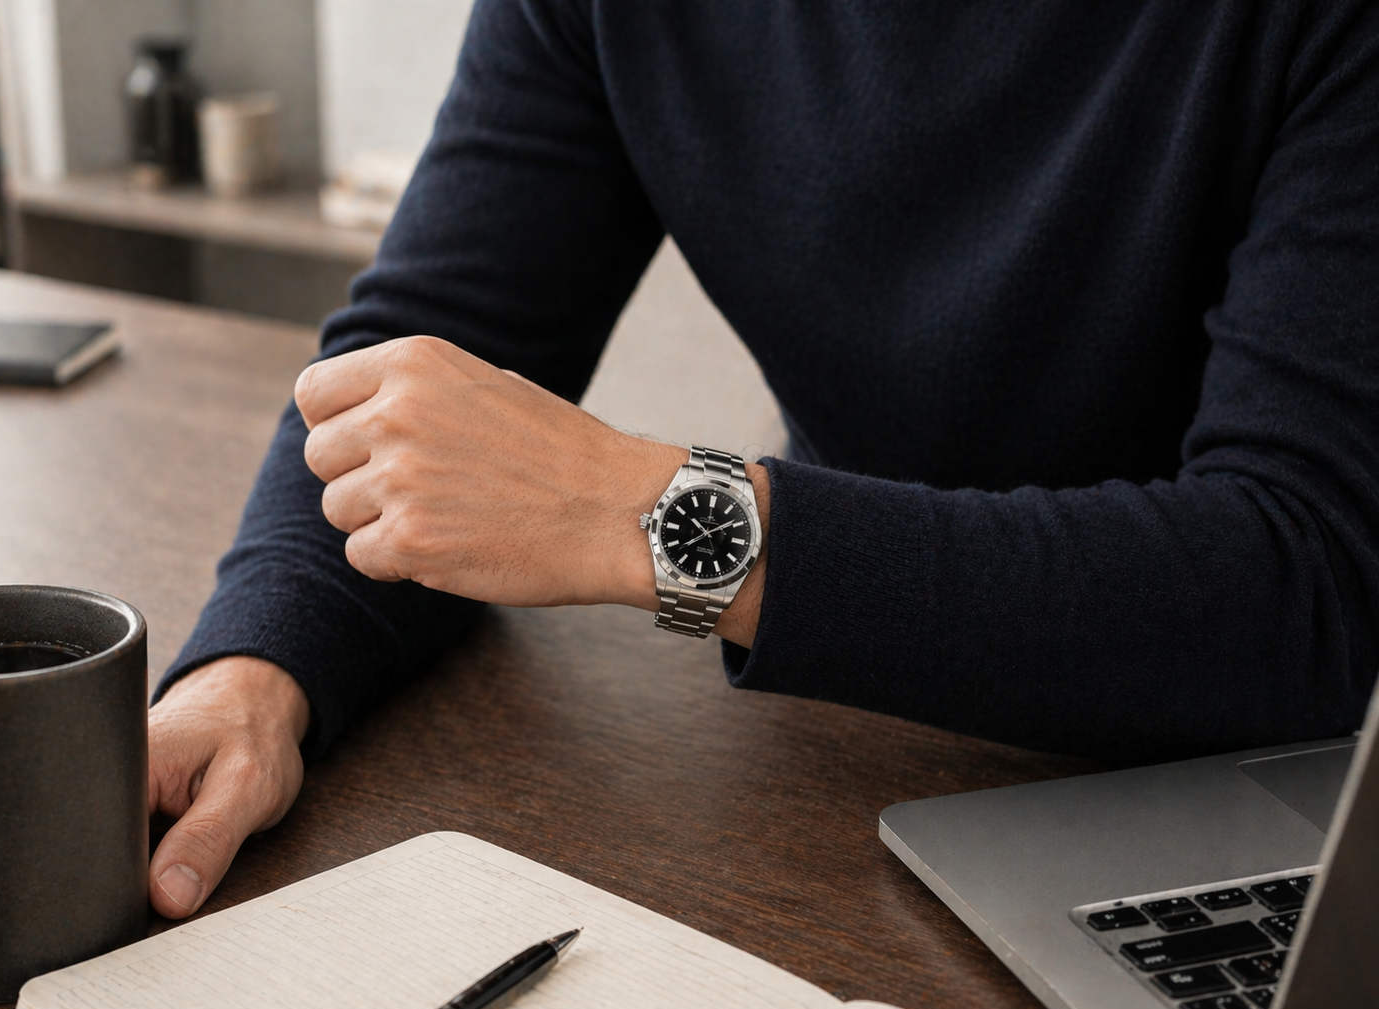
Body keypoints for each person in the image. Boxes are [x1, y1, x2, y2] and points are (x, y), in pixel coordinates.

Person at [142, 1, 1379, 919]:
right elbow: (417, 366)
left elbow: (1302, 587)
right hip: (843, 758)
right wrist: (259, 667)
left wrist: (652, 517)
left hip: (1259, 827)